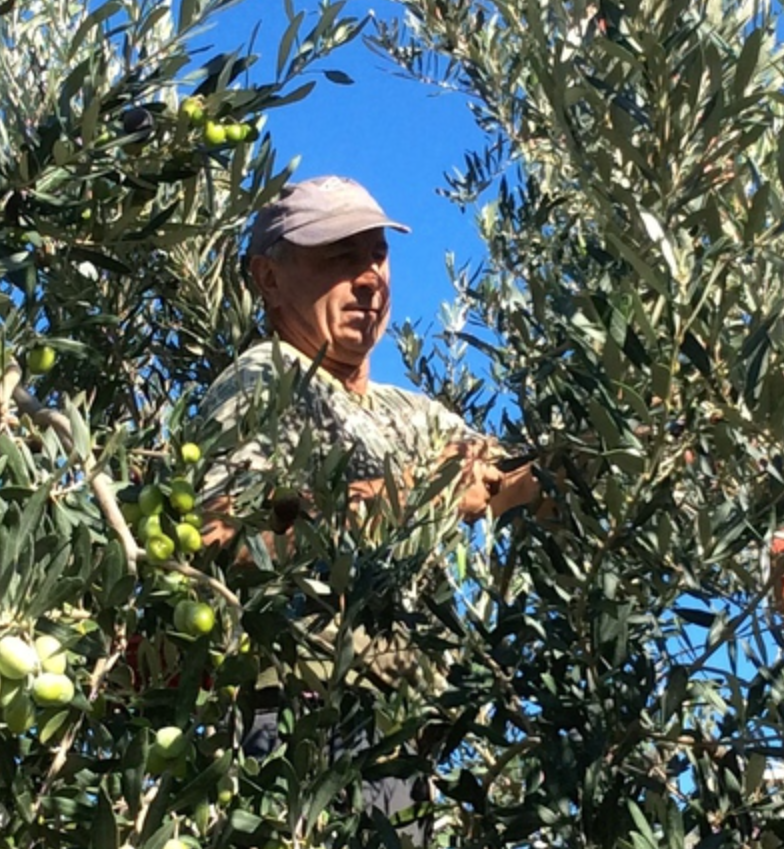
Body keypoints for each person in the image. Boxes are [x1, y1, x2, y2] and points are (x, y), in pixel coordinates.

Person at [197, 175, 538, 843]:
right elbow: (222, 540)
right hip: (294, 730)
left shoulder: (410, 415)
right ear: (268, 278)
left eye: (376, 255)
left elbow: (509, 477)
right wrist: (422, 494)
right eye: (339, 258)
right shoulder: (263, 379)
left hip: (396, 744)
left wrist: (638, 447)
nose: (369, 278)